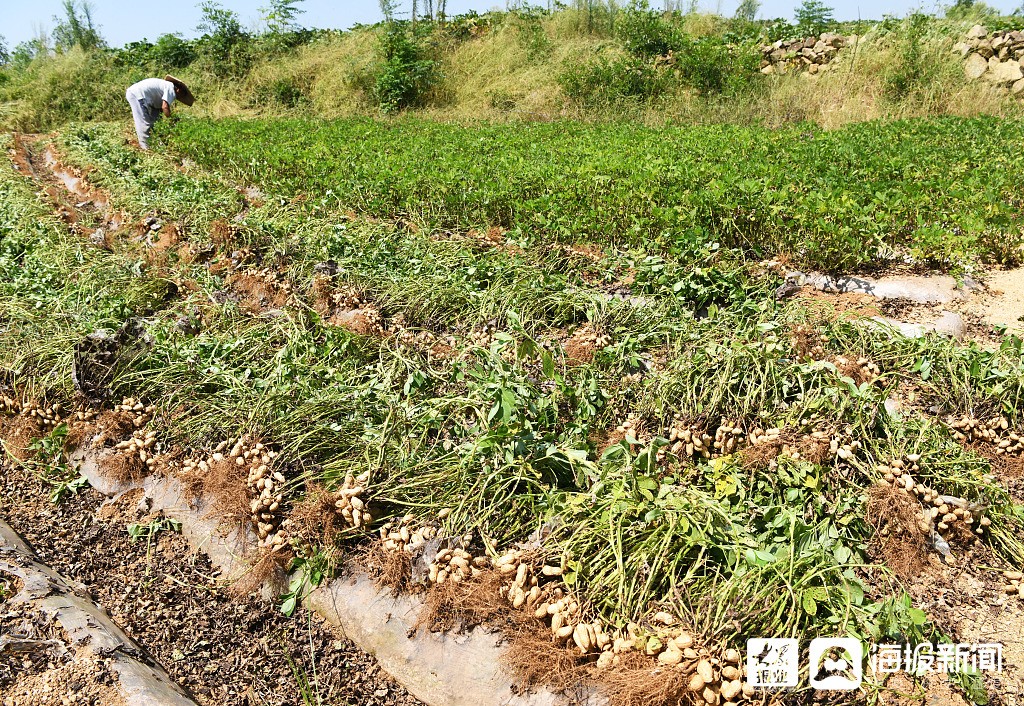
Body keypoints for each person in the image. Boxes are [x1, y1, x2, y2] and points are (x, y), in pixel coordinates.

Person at [125, 75, 194, 150]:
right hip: (137, 95)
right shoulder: (171, 88)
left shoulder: (165, 86)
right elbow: (165, 107)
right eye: (182, 96)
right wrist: (171, 119)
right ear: (179, 90)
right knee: (144, 123)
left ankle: (156, 143)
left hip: (141, 95)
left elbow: (161, 108)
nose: (179, 98)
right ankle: (146, 148)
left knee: (156, 122)